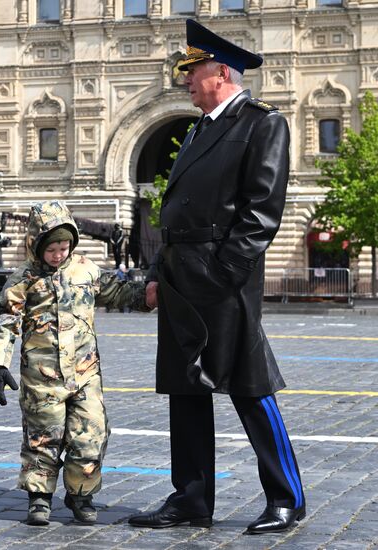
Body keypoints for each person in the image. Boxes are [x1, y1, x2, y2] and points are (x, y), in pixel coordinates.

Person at [128, 19, 305, 535]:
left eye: (192, 72)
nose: (184, 81)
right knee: (185, 392)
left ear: (222, 72)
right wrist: (159, 273)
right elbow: (175, 214)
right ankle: (191, 498)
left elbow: (261, 212)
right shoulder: (198, 129)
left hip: (223, 280)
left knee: (250, 388)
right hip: (182, 276)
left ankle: (285, 497)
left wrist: (225, 272)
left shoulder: (260, 123)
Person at [0, 200, 146, 527]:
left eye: (64, 246)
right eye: (52, 248)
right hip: (42, 377)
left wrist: (149, 294)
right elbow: (6, 319)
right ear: (37, 245)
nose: (59, 254)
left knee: (91, 435)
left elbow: (117, 292)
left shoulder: (86, 270)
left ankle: (80, 495)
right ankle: (39, 498)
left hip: (85, 374)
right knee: (43, 438)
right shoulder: (24, 278)